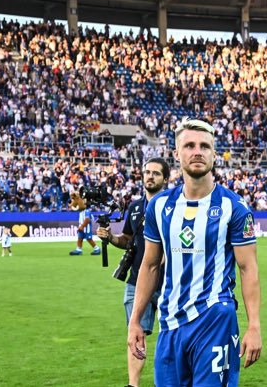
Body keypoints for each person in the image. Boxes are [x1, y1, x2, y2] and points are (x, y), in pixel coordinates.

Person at [129, 120, 263, 386]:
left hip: (215, 319)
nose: (197, 152)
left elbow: (248, 268)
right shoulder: (159, 206)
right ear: (177, 154)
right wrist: (135, 320)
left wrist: (254, 325)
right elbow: (150, 265)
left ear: (214, 154)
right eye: (189, 145)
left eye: (204, 146)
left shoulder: (233, 207)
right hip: (170, 323)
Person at [100, 157, 170, 387]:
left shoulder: (175, 206)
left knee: (175, 335)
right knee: (135, 334)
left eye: (156, 173)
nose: (150, 176)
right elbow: (127, 239)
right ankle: (133, 385)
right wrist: (111, 237)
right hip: (137, 280)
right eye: (147, 172)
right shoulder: (135, 207)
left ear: (165, 179)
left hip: (171, 282)